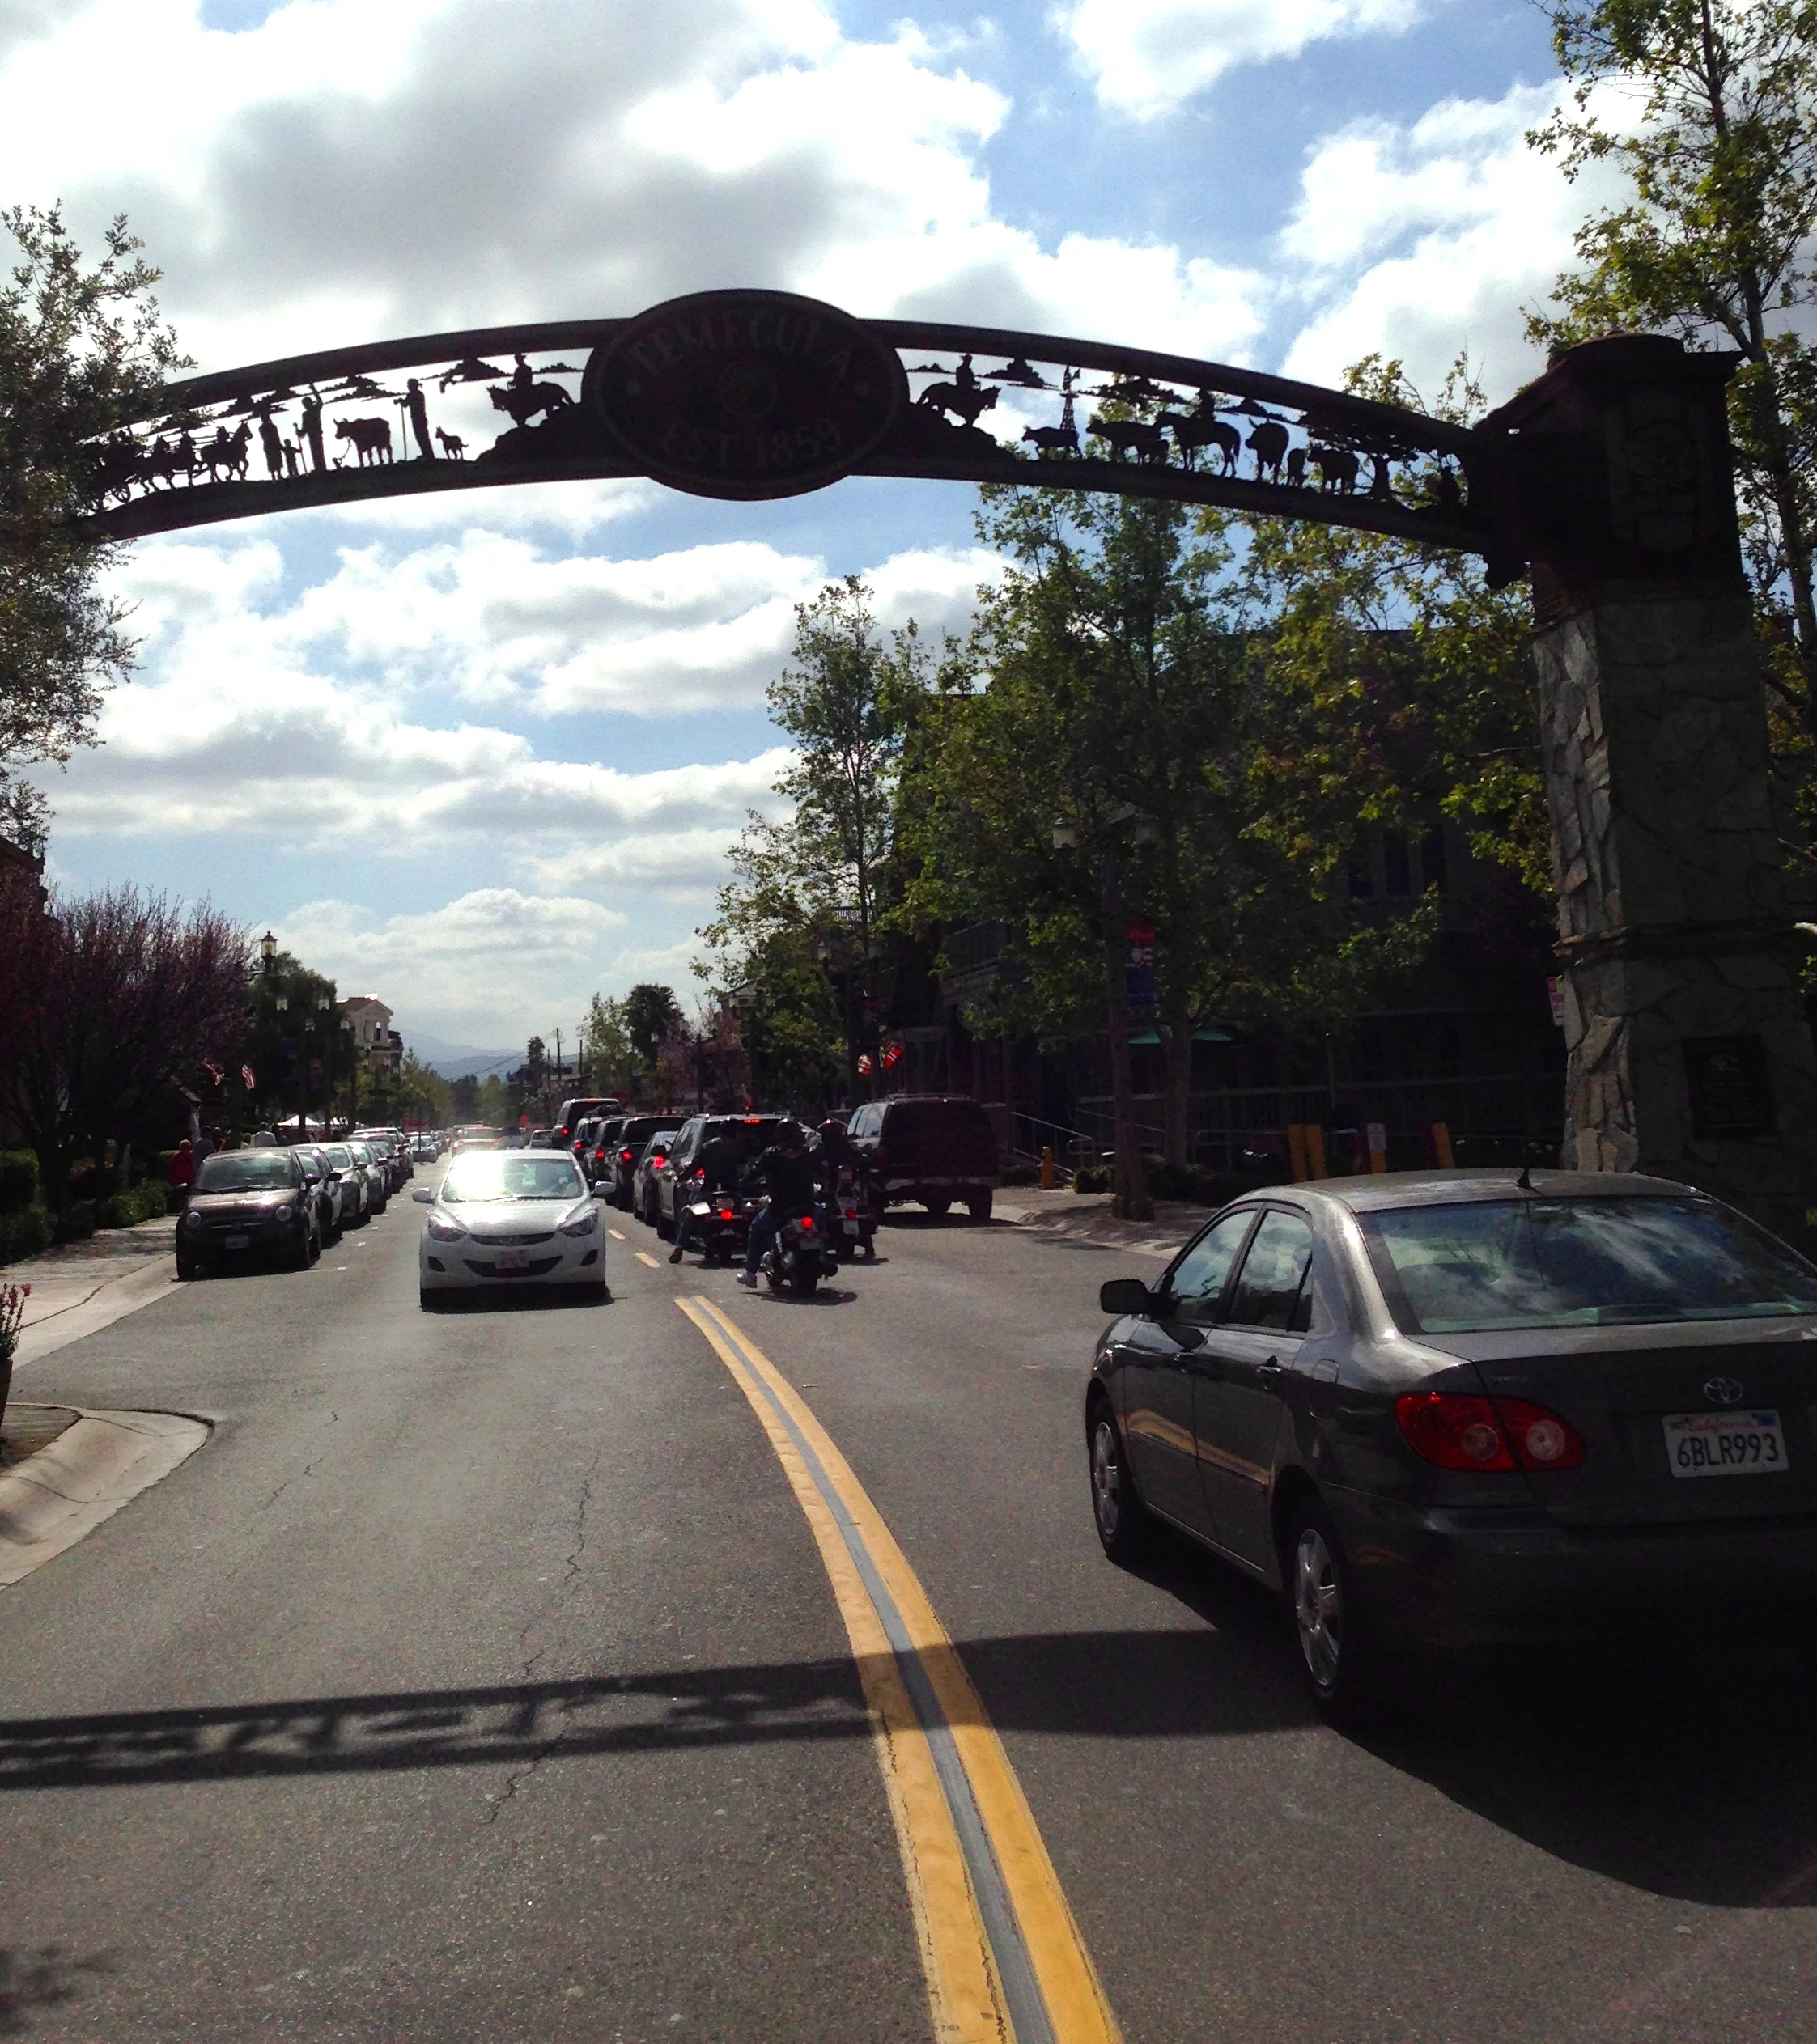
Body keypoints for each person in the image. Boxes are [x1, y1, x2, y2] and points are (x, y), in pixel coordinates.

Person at [738, 1122, 823, 1287]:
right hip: (808, 1206)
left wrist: (743, 1183)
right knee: (821, 1222)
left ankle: (750, 1274)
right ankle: (822, 1255)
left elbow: (753, 1173)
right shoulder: (809, 1154)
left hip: (779, 1208)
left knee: (756, 1227)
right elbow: (822, 1172)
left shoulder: (771, 1154)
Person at [669, 1125, 744, 1264]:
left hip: (710, 1189)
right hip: (731, 1190)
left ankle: (679, 1248)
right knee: (746, 1213)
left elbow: (695, 1165)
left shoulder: (708, 1146)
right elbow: (746, 1166)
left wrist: (682, 1177)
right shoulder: (738, 1147)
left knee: (690, 1215)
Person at [168, 1139, 196, 1206]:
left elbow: (171, 1168)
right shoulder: (193, 1155)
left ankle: (181, 1205)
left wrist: (172, 1179)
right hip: (191, 1179)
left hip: (179, 1180)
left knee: (181, 1196)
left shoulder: (176, 1156)